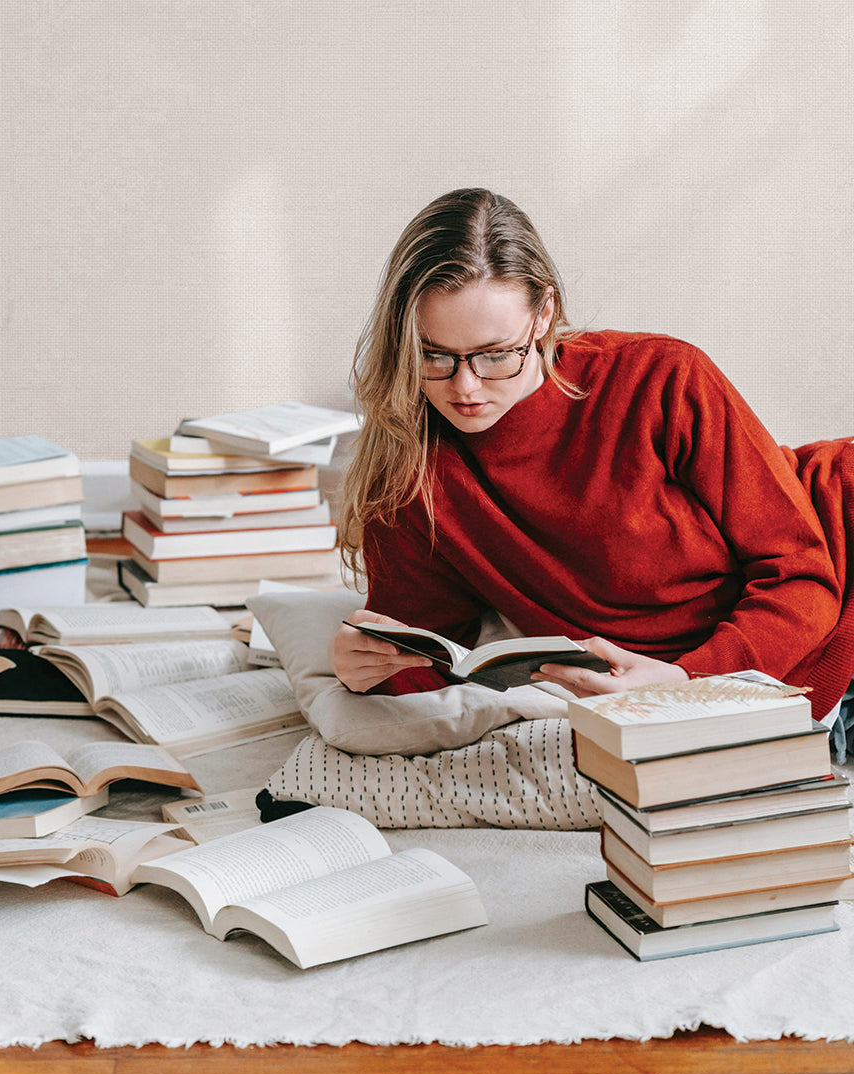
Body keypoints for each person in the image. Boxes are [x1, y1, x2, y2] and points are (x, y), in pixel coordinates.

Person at [331, 188, 854, 742]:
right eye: (433, 354)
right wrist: (361, 669)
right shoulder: (410, 469)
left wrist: (684, 681)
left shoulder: (660, 378)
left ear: (544, 314)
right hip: (764, 683)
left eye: (494, 354)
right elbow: (426, 654)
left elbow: (803, 574)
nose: (465, 387)